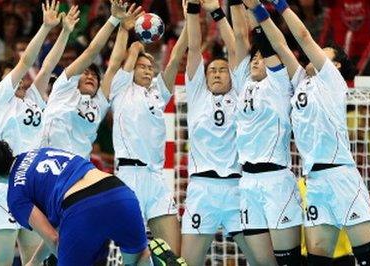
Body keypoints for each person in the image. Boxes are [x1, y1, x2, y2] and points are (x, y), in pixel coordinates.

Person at [244, 0, 370, 264]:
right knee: (317, 256)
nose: (312, 54)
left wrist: (281, 5)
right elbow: (280, 46)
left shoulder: (331, 80)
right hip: (315, 181)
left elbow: (304, 37)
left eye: (323, 52)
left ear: (336, 65)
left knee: (366, 257)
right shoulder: (300, 82)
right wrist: (257, 11)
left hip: (340, 174)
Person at [0, 140, 175, 265]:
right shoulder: (40, 151)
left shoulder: (15, 196)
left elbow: (53, 238)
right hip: (119, 191)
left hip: (81, 208)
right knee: (139, 257)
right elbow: (56, 227)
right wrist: (35, 261)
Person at [100, 0, 188, 253]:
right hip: (129, 177)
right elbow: (118, 61)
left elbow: (175, 58)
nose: (148, 70)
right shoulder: (120, 90)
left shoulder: (158, 94)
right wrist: (130, 34)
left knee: (172, 254)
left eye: (151, 67)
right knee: (133, 252)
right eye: (142, 66)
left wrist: (188, 21)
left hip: (157, 178)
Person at [221, 0, 304, 264]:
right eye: (253, 58)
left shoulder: (279, 84)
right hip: (247, 183)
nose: (255, 60)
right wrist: (234, 3)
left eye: (260, 58)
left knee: (287, 261)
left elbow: (267, 44)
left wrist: (255, 10)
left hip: (276, 180)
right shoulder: (244, 81)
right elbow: (237, 35)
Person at [0, 1, 61, 265]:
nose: (21, 78)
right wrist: (45, 26)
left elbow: (47, 65)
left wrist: (65, 32)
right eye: (11, 76)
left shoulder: (33, 100)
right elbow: (27, 60)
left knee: (36, 262)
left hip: (30, 189)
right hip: (2, 189)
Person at [180, 0, 255, 264]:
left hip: (237, 187)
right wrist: (191, 10)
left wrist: (215, 11)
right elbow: (192, 49)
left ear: (232, 75)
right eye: (212, 70)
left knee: (261, 261)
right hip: (202, 188)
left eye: (223, 69)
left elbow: (236, 46)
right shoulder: (197, 93)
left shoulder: (240, 92)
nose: (217, 73)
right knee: (189, 263)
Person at [39, 0, 141, 158]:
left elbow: (113, 66)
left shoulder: (98, 104)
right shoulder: (64, 88)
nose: (91, 76)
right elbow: (90, 52)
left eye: (94, 76)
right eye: (86, 73)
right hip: (49, 159)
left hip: (79, 167)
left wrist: (123, 29)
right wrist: (113, 19)